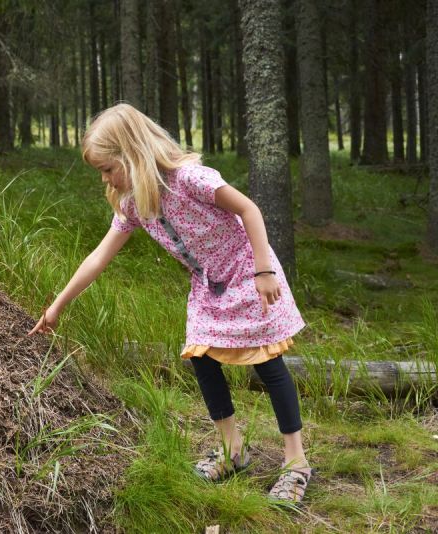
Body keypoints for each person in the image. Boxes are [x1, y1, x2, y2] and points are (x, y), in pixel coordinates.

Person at [28, 103, 313, 504]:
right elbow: (98, 257)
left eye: (108, 168)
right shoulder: (134, 203)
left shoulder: (190, 179)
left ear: (131, 153)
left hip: (248, 269)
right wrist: (56, 306)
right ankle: (232, 450)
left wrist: (263, 271)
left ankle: (295, 463)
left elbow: (250, 209)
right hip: (208, 284)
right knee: (201, 355)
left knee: (268, 362)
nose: (106, 178)